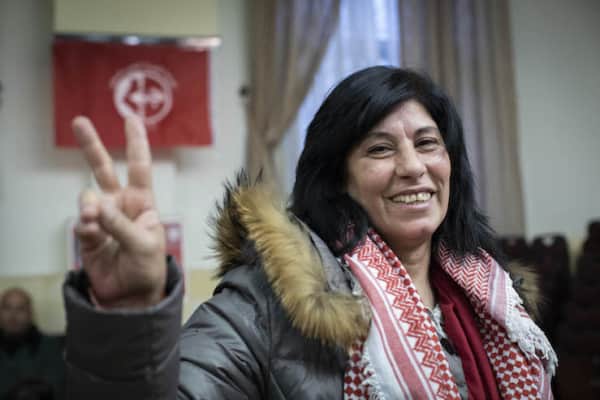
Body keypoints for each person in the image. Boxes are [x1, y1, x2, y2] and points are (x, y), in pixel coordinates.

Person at [63, 66, 557, 399]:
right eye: (380, 149)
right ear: (337, 177)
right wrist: (128, 316)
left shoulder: (494, 297)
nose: (413, 167)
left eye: (427, 143)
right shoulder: (269, 299)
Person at [0, 288, 64, 399]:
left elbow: (56, 387)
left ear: (30, 314)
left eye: (20, 309)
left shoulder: (49, 346)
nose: (13, 315)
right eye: (7, 308)